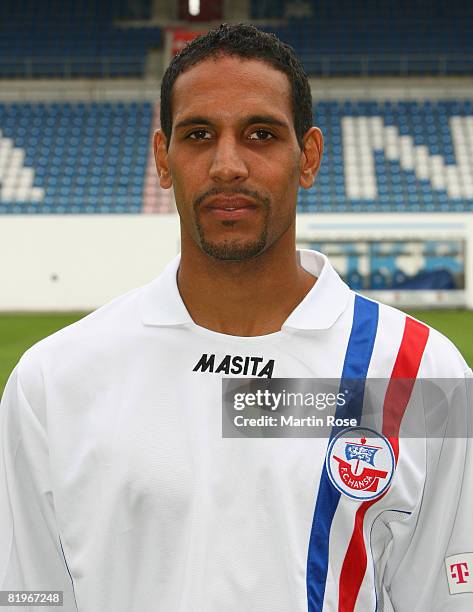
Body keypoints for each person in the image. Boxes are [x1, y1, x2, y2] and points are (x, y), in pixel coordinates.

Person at [0, 23, 472, 612]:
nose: (227, 164)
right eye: (198, 134)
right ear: (162, 158)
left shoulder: (418, 371)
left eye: (260, 134)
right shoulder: (54, 381)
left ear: (309, 156)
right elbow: (31, 595)